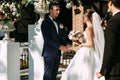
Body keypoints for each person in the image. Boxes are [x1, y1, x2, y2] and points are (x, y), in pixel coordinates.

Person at [60, 9, 105, 80]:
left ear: (87, 18)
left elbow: (91, 44)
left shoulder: (89, 28)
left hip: (87, 53)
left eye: (84, 17)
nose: (83, 19)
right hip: (90, 52)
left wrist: (81, 45)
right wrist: (78, 42)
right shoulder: (92, 27)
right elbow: (89, 42)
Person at [41, 1, 69, 80]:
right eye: (56, 10)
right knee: (48, 76)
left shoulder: (58, 22)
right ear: (50, 10)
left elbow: (61, 38)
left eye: (59, 10)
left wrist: (67, 44)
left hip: (57, 54)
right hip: (49, 54)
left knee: (54, 76)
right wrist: (60, 46)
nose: (58, 12)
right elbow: (47, 40)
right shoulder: (45, 23)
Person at [96, 0, 120, 80]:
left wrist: (102, 71)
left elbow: (109, 48)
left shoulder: (113, 21)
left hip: (115, 70)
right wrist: (106, 29)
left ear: (110, 3)